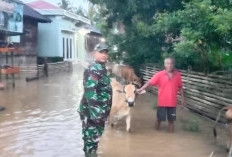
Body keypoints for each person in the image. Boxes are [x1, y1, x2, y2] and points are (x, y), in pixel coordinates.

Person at [77, 43, 112, 156]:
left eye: (105, 52)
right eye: (101, 52)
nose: (104, 55)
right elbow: (90, 93)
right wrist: (97, 116)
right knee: (91, 142)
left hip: (98, 113)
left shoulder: (101, 69)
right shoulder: (93, 69)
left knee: (92, 141)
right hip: (92, 113)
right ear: (94, 54)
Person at [136, 57, 185, 132]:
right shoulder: (159, 74)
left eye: (171, 63)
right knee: (159, 119)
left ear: (174, 64)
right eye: (167, 63)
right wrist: (141, 89)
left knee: (171, 121)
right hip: (162, 102)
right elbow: (149, 82)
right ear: (165, 64)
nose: (169, 65)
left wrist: (182, 99)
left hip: (172, 103)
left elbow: (180, 87)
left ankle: (170, 139)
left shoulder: (177, 75)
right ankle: (156, 133)